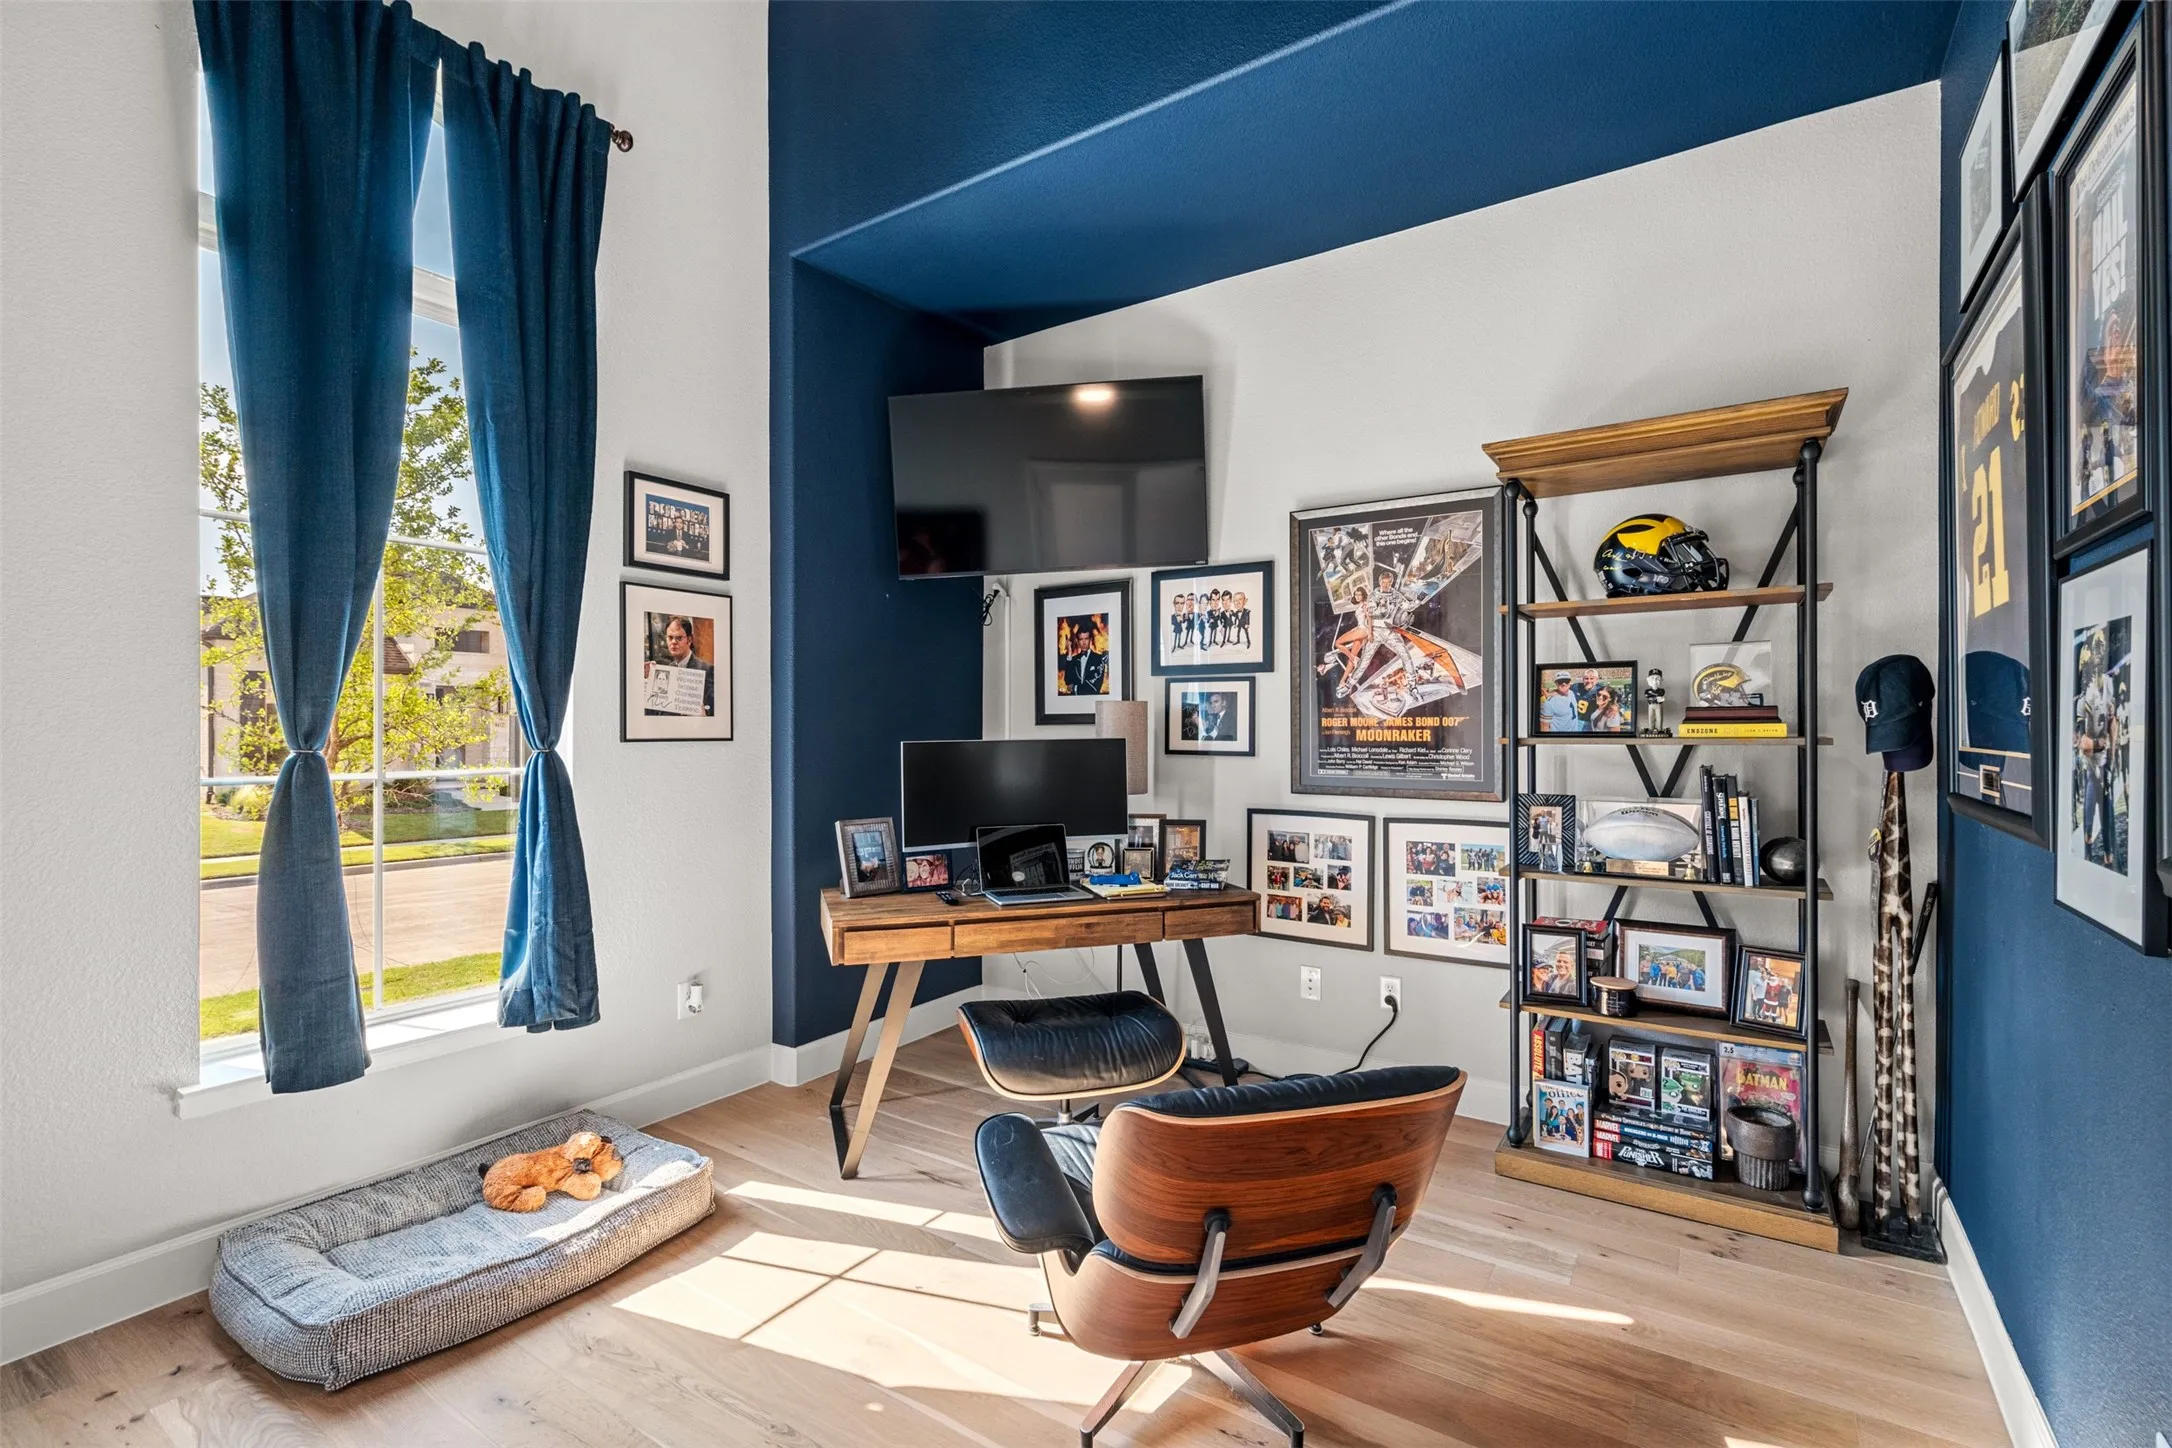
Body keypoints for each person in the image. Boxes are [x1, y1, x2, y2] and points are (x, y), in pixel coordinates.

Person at [645, 614, 714, 715]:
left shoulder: (707, 670)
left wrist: (705, 715)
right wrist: (648, 682)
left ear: (689, 640)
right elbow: (657, 711)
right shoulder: (667, 670)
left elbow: (716, 711)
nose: (673, 642)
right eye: (670, 637)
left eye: (679, 638)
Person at [1060, 623, 1109, 697]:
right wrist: (1069, 653)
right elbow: (1068, 681)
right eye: (1081, 639)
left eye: (1086, 639)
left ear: (1090, 640)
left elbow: (1094, 687)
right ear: (1077, 641)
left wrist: (1075, 688)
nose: (1084, 643)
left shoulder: (1099, 659)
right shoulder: (1073, 660)